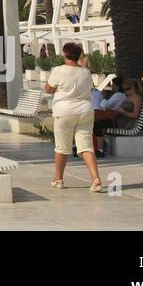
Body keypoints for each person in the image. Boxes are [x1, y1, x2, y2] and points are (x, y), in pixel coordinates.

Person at [43, 42, 104, 191]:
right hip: (85, 111)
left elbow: (48, 89)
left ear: (65, 54)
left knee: (62, 147)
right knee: (86, 146)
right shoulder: (85, 72)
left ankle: (58, 179)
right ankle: (95, 178)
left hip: (64, 112)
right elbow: (90, 88)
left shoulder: (58, 70)